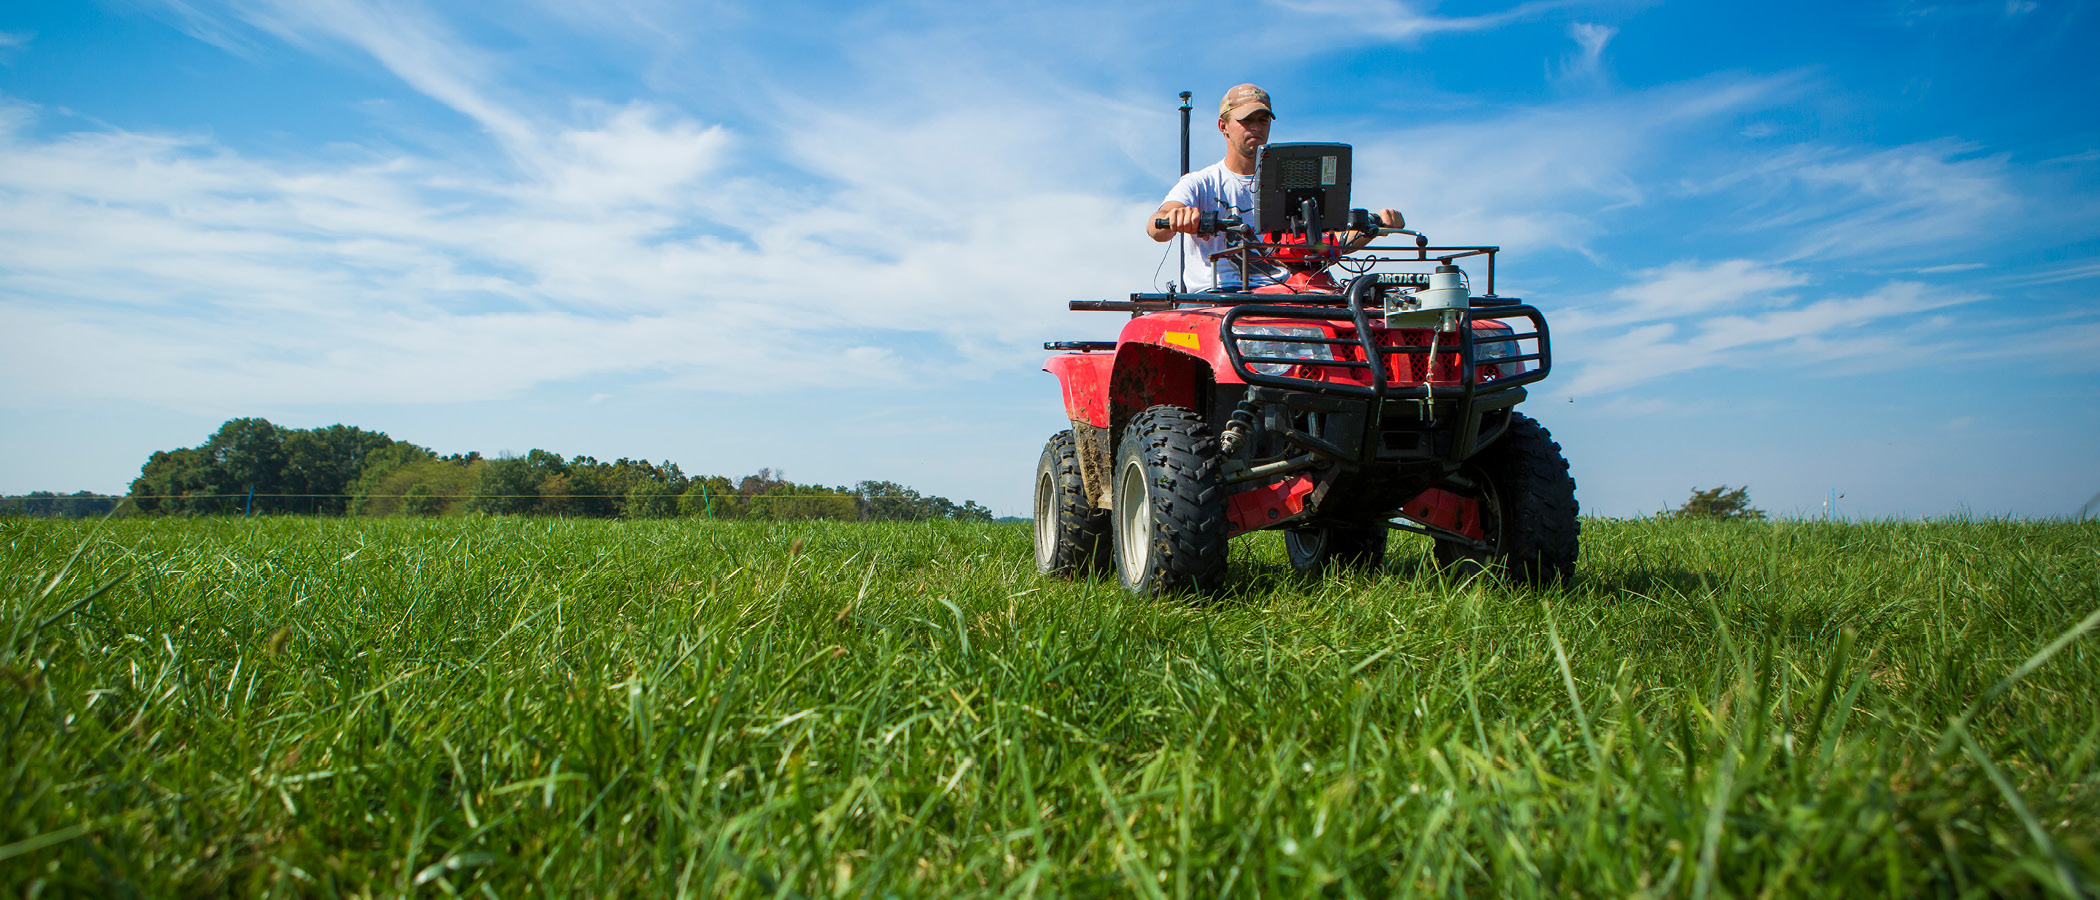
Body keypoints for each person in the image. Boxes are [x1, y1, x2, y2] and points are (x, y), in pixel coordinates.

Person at [1147, 84, 1402, 291]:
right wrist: (1175, 218)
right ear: (1223, 126)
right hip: (1221, 298)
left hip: (1286, 295)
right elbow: (1155, 226)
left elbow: (1321, 247)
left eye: (1263, 119)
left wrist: (1373, 227)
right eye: (1247, 120)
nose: (1256, 127)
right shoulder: (1201, 183)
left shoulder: (1292, 185)